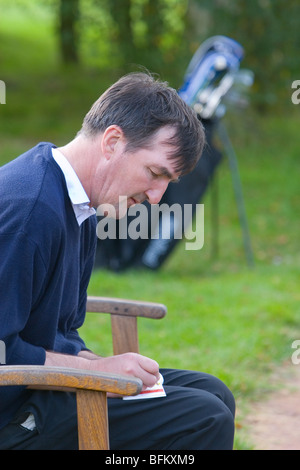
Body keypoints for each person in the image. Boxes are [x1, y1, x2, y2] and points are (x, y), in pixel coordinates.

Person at [0, 72, 235, 450]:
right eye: (155, 173)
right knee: (203, 419)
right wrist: (95, 371)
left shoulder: (82, 206)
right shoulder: (29, 211)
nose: (157, 197)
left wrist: (104, 368)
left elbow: (61, 334)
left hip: (39, 391)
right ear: (112, 141)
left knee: (213, 392)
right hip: (12, 416)